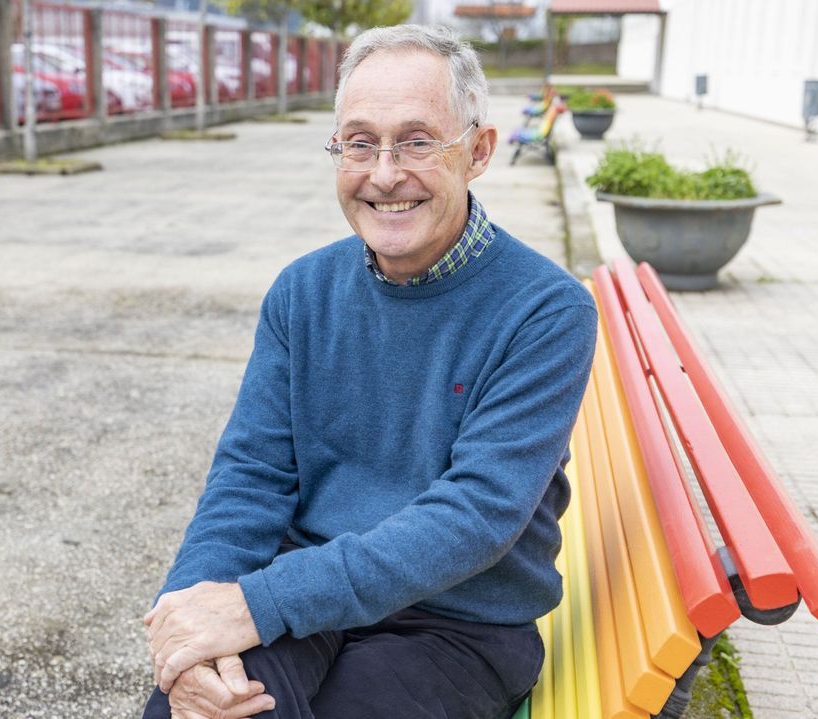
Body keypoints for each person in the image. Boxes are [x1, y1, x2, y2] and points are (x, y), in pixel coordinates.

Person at [141, 24, 597, 719]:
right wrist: (190, 622)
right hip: (308, 599)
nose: (384, 173)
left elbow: (474, 516)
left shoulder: (545, 311)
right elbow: (249, 476)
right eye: (359, 142)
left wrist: (260, 603)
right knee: (197, 710)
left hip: (458, 622)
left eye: (417, 140)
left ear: (477, 152)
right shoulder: (302, 292)